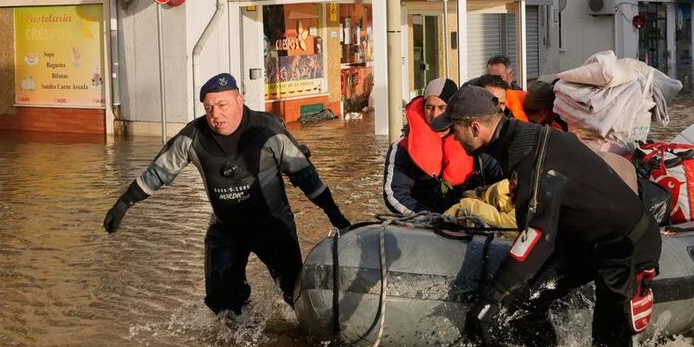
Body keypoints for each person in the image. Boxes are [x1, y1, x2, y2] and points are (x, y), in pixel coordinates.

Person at [430, 85, 662, 347]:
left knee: (608, 346)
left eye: (454, 130)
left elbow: (538, 237)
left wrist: (491, 300)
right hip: (583, 238)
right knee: (525, 308)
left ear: (475, 127)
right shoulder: (515, 142)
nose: (453, 138)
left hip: (623, 244)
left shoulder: (531, 156)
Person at [102, 73, 351, 314]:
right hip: (226, 230)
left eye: (222, 105)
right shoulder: (193, 137)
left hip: (272, 226)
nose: (216, 115)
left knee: (296, 296)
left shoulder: (267, 130)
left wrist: (334, 215)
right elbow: (157, 173)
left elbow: (305, 175)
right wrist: (124, 203)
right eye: (209, 108)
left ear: (239, 100)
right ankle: (241, 345)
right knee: (222, 305)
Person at [382, 77, 502, 215]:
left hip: (468, 216)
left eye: (442, 107)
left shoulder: (475, 137)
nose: (435, 114)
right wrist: (428, 217)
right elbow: (395, 194)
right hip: (424, 222)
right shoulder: (403, 147)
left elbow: (498, 173)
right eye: (429, 107)